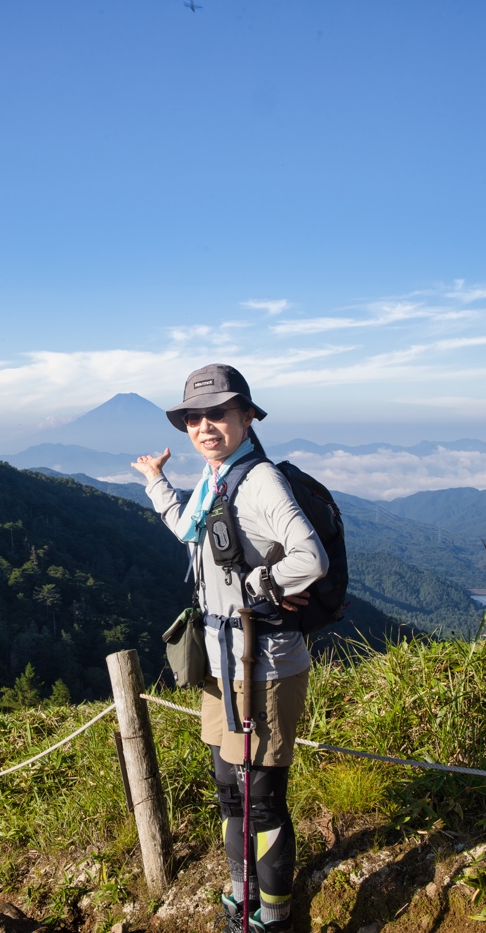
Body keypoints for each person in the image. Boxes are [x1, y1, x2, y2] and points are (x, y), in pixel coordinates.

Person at [131, 363, 328, 933]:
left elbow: (309, 558)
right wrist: (155, 483)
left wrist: (256, 585)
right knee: (229, 792)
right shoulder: (215, 479)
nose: (205, 425)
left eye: (218, 413)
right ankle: (241, 896)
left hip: (263, 663)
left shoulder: (259, 479)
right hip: (223, 665)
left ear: (246, 417)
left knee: (262, 799)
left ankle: (273, 917)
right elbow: (190, 532)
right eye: (195, 416)